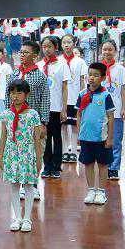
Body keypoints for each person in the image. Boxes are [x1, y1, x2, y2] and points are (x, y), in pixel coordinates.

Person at [8, 40, 50, 199]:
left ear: (35, 56)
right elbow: (7, 95)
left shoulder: (40, 75)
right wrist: (8, 117)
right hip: (16, 121)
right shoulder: (14, 74)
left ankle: (33, 185)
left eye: (26, 52)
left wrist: (43, 122)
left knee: (34, 153)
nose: (22, 55)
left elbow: (45, 99)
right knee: (18, 153)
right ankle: (20, 184)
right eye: (21, 52)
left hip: (33, 122)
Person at [0, 80, 41, 232]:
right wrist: (1, 156)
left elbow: (37, 139)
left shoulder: (33, 114)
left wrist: (39, 159)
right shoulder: (6, 114)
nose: (15, 96)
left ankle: (27, 218)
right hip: (11, 154)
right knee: (14, 186)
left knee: (29, 186)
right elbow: (3, 136)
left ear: (26, 94)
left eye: (19, 92)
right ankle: (17, 217)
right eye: (12, 92)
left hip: (28, 154)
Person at [75, 62, 115, 206]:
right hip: (86, 137)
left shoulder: (106, 95)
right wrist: (79, 134)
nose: (91, 78)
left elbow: (111, 117)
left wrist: (110, 138)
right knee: (88, 163)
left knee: (103, 165)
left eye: (96, 75)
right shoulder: (82, 94)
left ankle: (101, 191)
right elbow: (79, 115)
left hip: (101, 138)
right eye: (90, 74)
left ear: (103, 78)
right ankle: (91, 190)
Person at [37, 35, 71, 179]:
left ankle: (56, 166)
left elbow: (65, 87)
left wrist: (64, 108)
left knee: (56, 137)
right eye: (44, 47)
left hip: (56, 107)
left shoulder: (62, 64)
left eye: (49, 46)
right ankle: (47, 166)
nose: (47, 49)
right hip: (41, 108)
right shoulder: (39, 65)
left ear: (56, 48)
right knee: (44, 137)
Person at [98, 40, 125, 181]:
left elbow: (122, 90)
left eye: (110, 49)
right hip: (100, 111)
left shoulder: (120, 69)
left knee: (116, 140)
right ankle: (104, 165)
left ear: (115, 51)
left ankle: (114, 168)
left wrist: (124, 108)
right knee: (101, 140)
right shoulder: (98, 68)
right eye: (104, 49)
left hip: (116, 111)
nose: (107, 52)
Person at [60, 34, 87, 164]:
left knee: (75, 126)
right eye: (64, 43)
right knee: (64, 126)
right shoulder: (58, 60)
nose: (66, 45)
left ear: (74, 43)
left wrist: (81, 98)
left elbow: (82, 81)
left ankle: (74, 152)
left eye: (69, 42)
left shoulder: (80, 61)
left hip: (75, 98)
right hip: (62, 99)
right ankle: (65, 151)